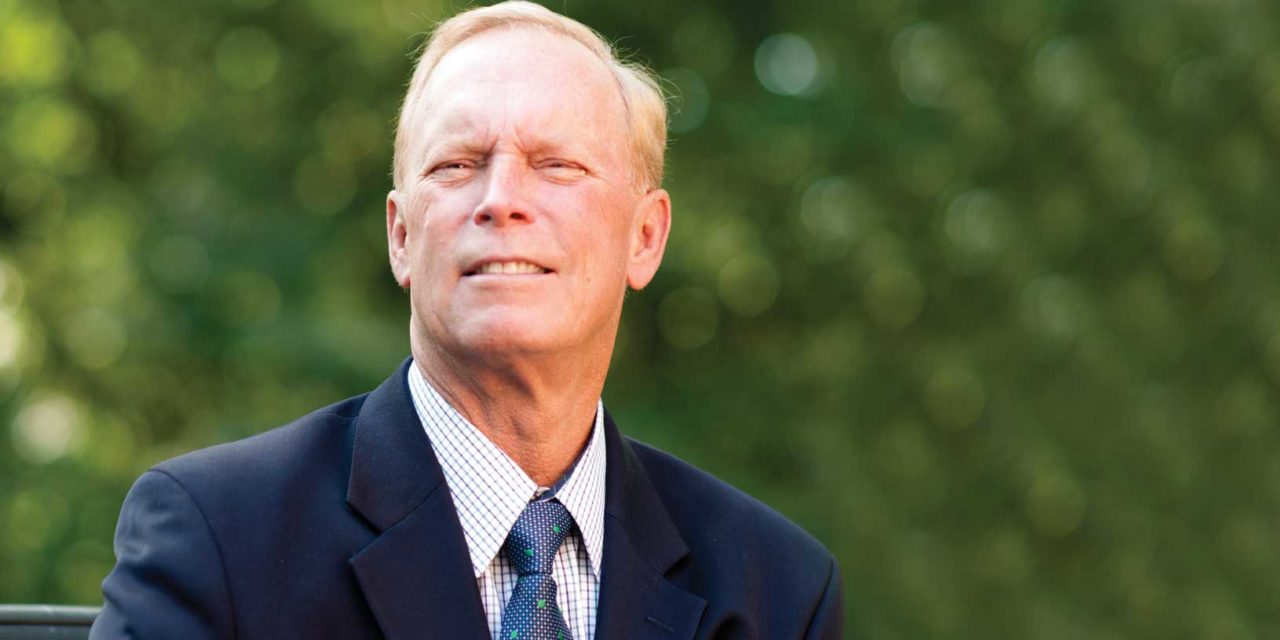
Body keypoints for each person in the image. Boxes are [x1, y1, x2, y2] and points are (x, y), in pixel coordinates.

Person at [89, 2, 843, 638]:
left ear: (644, 237)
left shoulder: (777, 591)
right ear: (401, 236)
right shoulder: (218, 538)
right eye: (456, 165)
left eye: (557, 165)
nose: (501, 199)